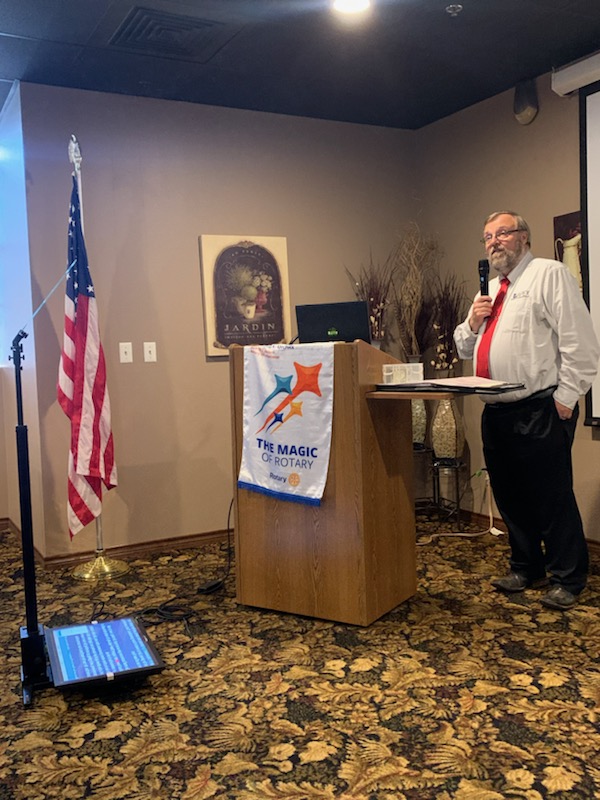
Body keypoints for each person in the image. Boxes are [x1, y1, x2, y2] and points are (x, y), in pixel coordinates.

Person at [454, 211, 600, 610]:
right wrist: (471, 319)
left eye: (502, 233)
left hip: (540, 406)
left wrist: (566, 398)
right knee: (510, 494)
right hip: (496, 410)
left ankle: (568, 577)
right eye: (487, 236)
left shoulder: (548, 275)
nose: (493, 242)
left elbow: (581, 344)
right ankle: (526, 566)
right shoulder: (489, 289)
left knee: (550, 496)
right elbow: (464, 347)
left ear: (524, 237)